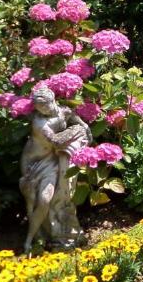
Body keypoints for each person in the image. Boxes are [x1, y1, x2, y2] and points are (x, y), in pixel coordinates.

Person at [19, 85, 91, 253]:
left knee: (49, 198)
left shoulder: (63, 111)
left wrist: (83, 127)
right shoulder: (39, 123)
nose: (43, 110)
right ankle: (35, 238)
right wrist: (77, 130)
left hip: (53, 159)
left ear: (53, 100)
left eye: (45, 105)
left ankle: (58, 234)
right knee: (39, 201)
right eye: (39, 107)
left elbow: (75, 119)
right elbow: (56, 140)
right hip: (35, 164)